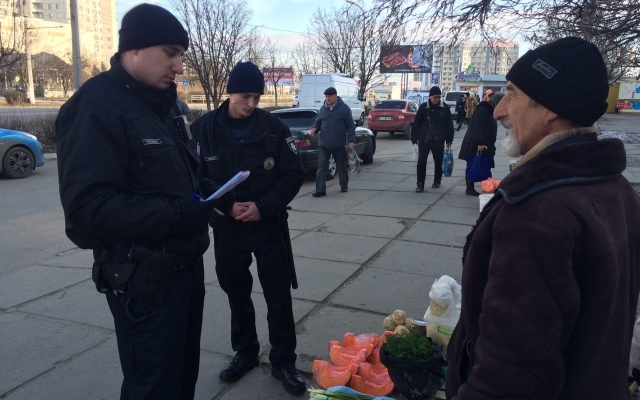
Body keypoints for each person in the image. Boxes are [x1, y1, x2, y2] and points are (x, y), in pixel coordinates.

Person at [446, 37, 640, 399]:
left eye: (511, 92)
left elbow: (509, 379)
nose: (500, 110)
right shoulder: (616, 189)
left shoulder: (538, 214)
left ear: (550, 107)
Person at [55, 4, 231, 399]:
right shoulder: (96, 105)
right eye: (171, 52)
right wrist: (179, 213)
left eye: (182, 55)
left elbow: (174, 176)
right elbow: (86, 213)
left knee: (183, 377)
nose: (180, 66)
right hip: (143, 283)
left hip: (184, 270)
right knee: (153, 387)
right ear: (133, 48)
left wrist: (214, 189)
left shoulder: (163, 105)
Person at [190, 61, 307, 395]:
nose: (252, 103)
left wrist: (263, 206)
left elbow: (293, 173)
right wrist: (226, 205)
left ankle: (284, 360)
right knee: (236, 292)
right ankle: (246, 352)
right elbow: (192, 177)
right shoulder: (204, 129)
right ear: (230, 92)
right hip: (227, 227)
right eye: (245, 96)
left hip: (268, 225)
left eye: (257, 96)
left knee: (278, 295)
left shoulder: (274, 127)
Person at [310, 86, 355, 197]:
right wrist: (315, 128)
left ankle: (344, 185)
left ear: (335, 96)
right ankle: (320, 190)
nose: (328, 98)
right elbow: (319, 121)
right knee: (321, 167)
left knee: (341, 166)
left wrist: (351, 140)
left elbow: (350, 126)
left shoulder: (344, 109)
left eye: (330, 96)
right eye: (326, 96)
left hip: (338, 144)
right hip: (324, 144)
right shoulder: (323, 109)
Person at [457, 91, 504, 196]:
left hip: (484, 143)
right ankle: (470, 187)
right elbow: (477, 127)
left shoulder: (488, 110)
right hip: (476, 143)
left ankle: (486, 186)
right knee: (473, 164)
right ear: (494, 103)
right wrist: (480, 143)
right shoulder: (482, 111)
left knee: (484, 164)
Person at [410, 86, 454, 192]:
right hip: (424, 139)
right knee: (421, 161)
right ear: (430, 97)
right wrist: (414, 139)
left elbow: (449, 125)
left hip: (438, 139)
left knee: (438, 161)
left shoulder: (445, 108)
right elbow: (416, 124)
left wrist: (449, 140)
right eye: (435, 97)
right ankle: (420, 183)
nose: (437, 99)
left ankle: (437, 180)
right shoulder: (423, 107)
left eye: (439, 97)